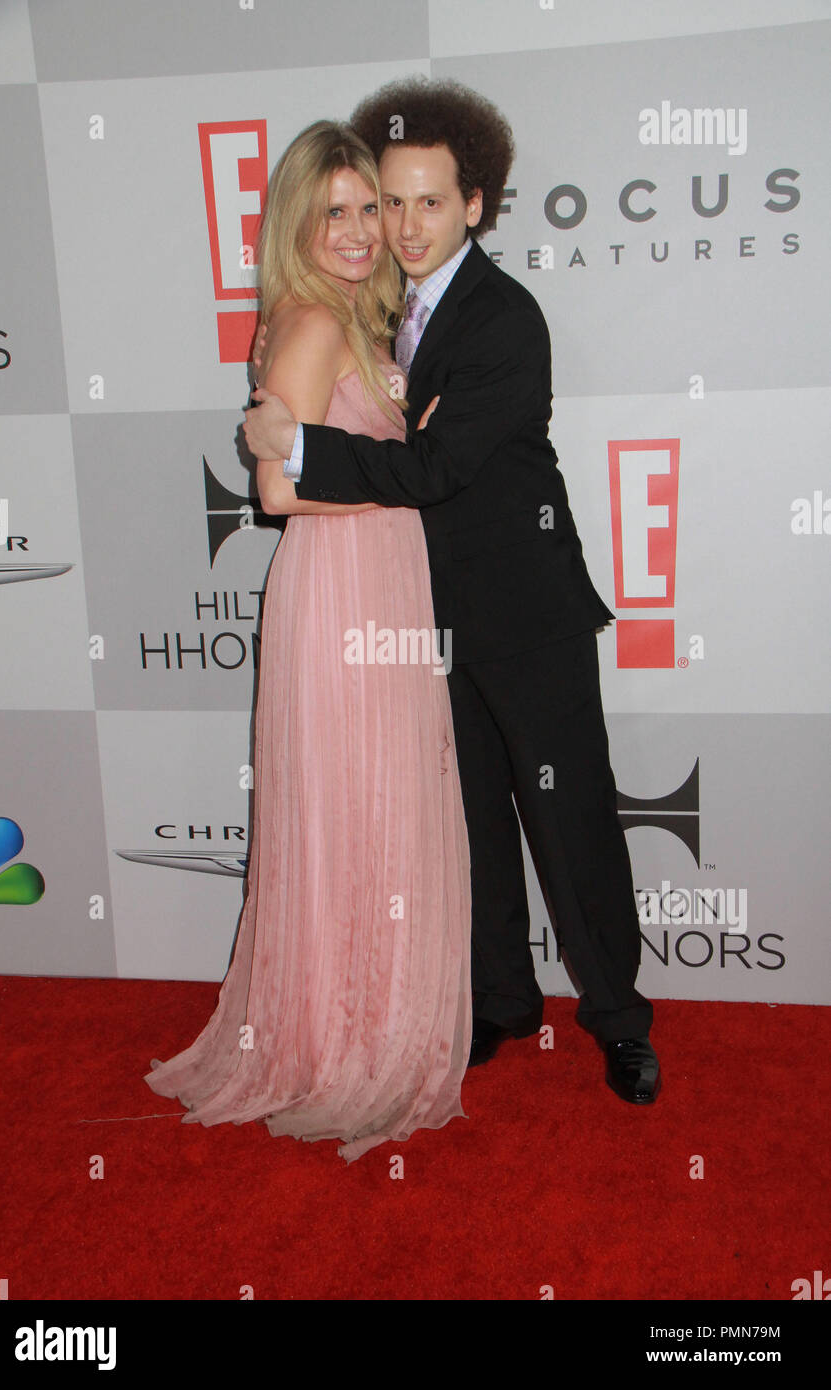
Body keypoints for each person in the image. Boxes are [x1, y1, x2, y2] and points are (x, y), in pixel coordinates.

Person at [243, 77, 661, 1105]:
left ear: (474, 203)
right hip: (421, 620)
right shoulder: (379, 310)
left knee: (567, 829)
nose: (403, 223)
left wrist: (294, 445)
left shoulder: (503, 320)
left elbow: (430, 472)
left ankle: (617, 1019)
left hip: (524, 617)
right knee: (464, 822)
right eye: (389, 201)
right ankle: (498, 998)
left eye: (428, 201)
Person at [144, 120, 473, 1162]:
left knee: (378, 807)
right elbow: (277, 490)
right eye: (333, 211)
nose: (358, 229)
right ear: (297, 222)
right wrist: (398, 496)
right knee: (353, 808)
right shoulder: (310, 325)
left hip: (378, 585)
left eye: (369, 207)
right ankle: (341, 1043)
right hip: (341, 596)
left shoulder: (357, 322)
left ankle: (369, 1026)